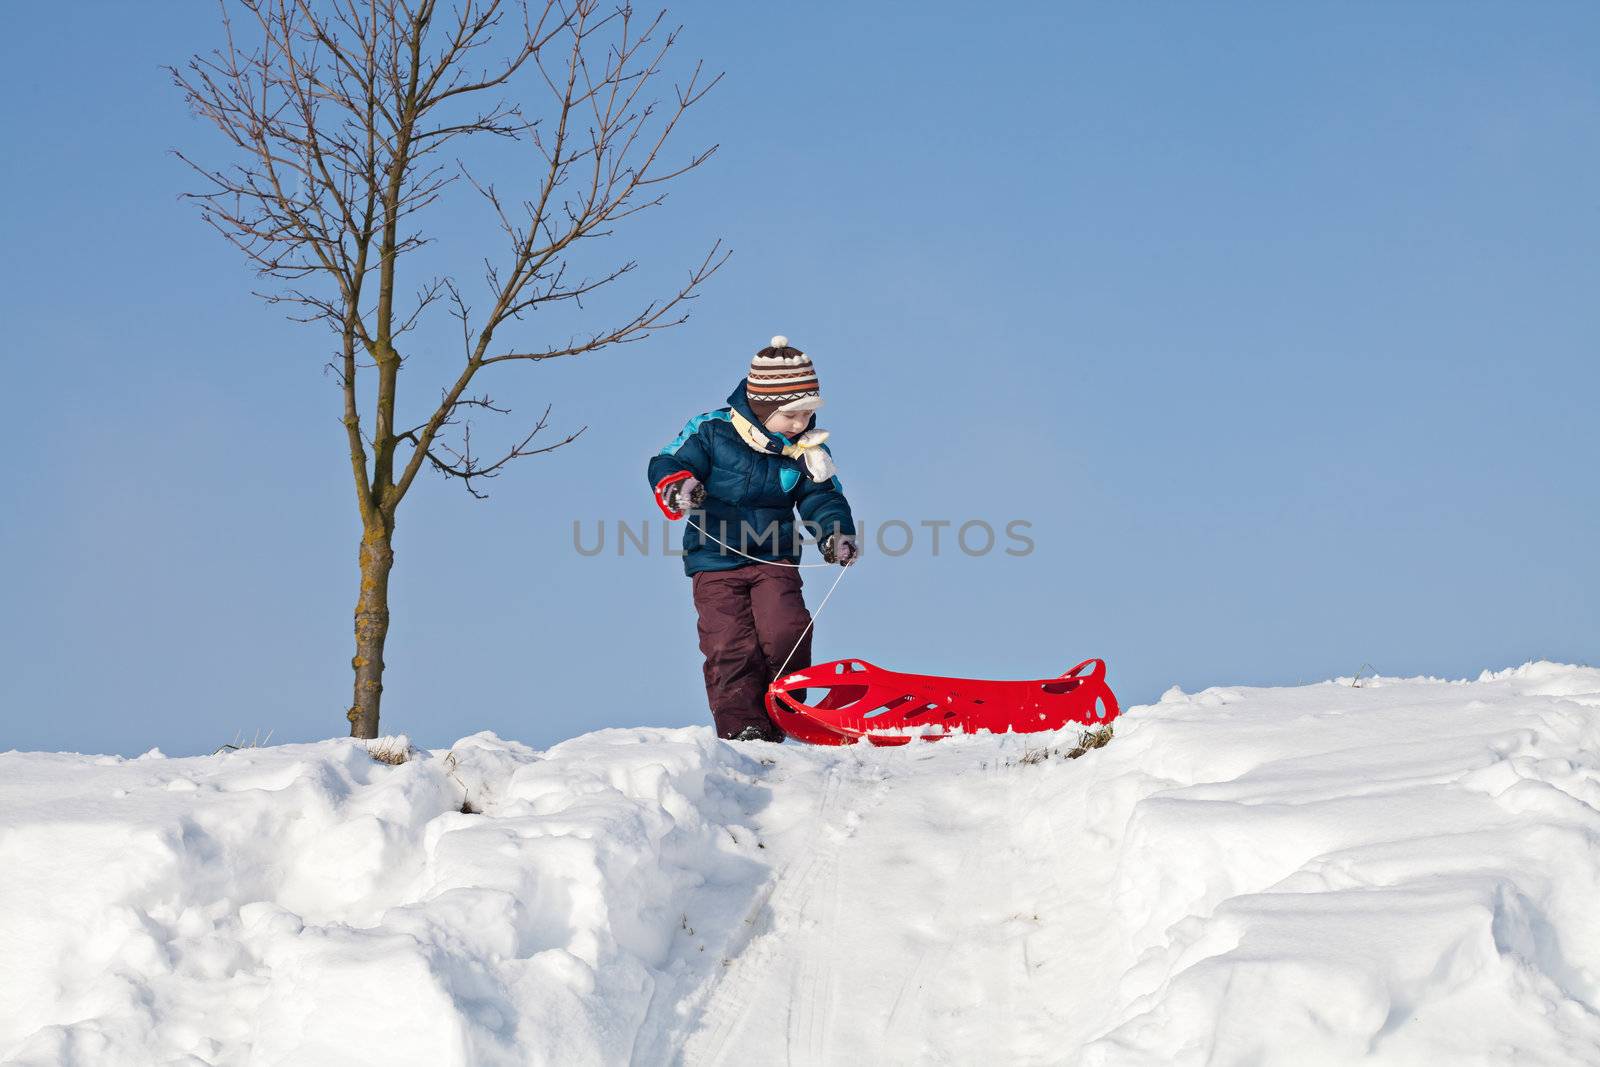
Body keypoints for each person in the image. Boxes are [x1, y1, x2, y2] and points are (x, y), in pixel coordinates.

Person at [648, 336, 858, 742]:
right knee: (730, 645)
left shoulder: (808, 451)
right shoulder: (712, 432)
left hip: (773, 558)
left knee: (786, 631)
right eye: (792, 415)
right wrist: (678, 485)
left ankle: (785, 712)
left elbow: (822, 496)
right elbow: (668, 461)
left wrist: (835, 534)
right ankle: (743, 726)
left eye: (807, 414)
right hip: (715, 560)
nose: (801, 424)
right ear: (763, 408)